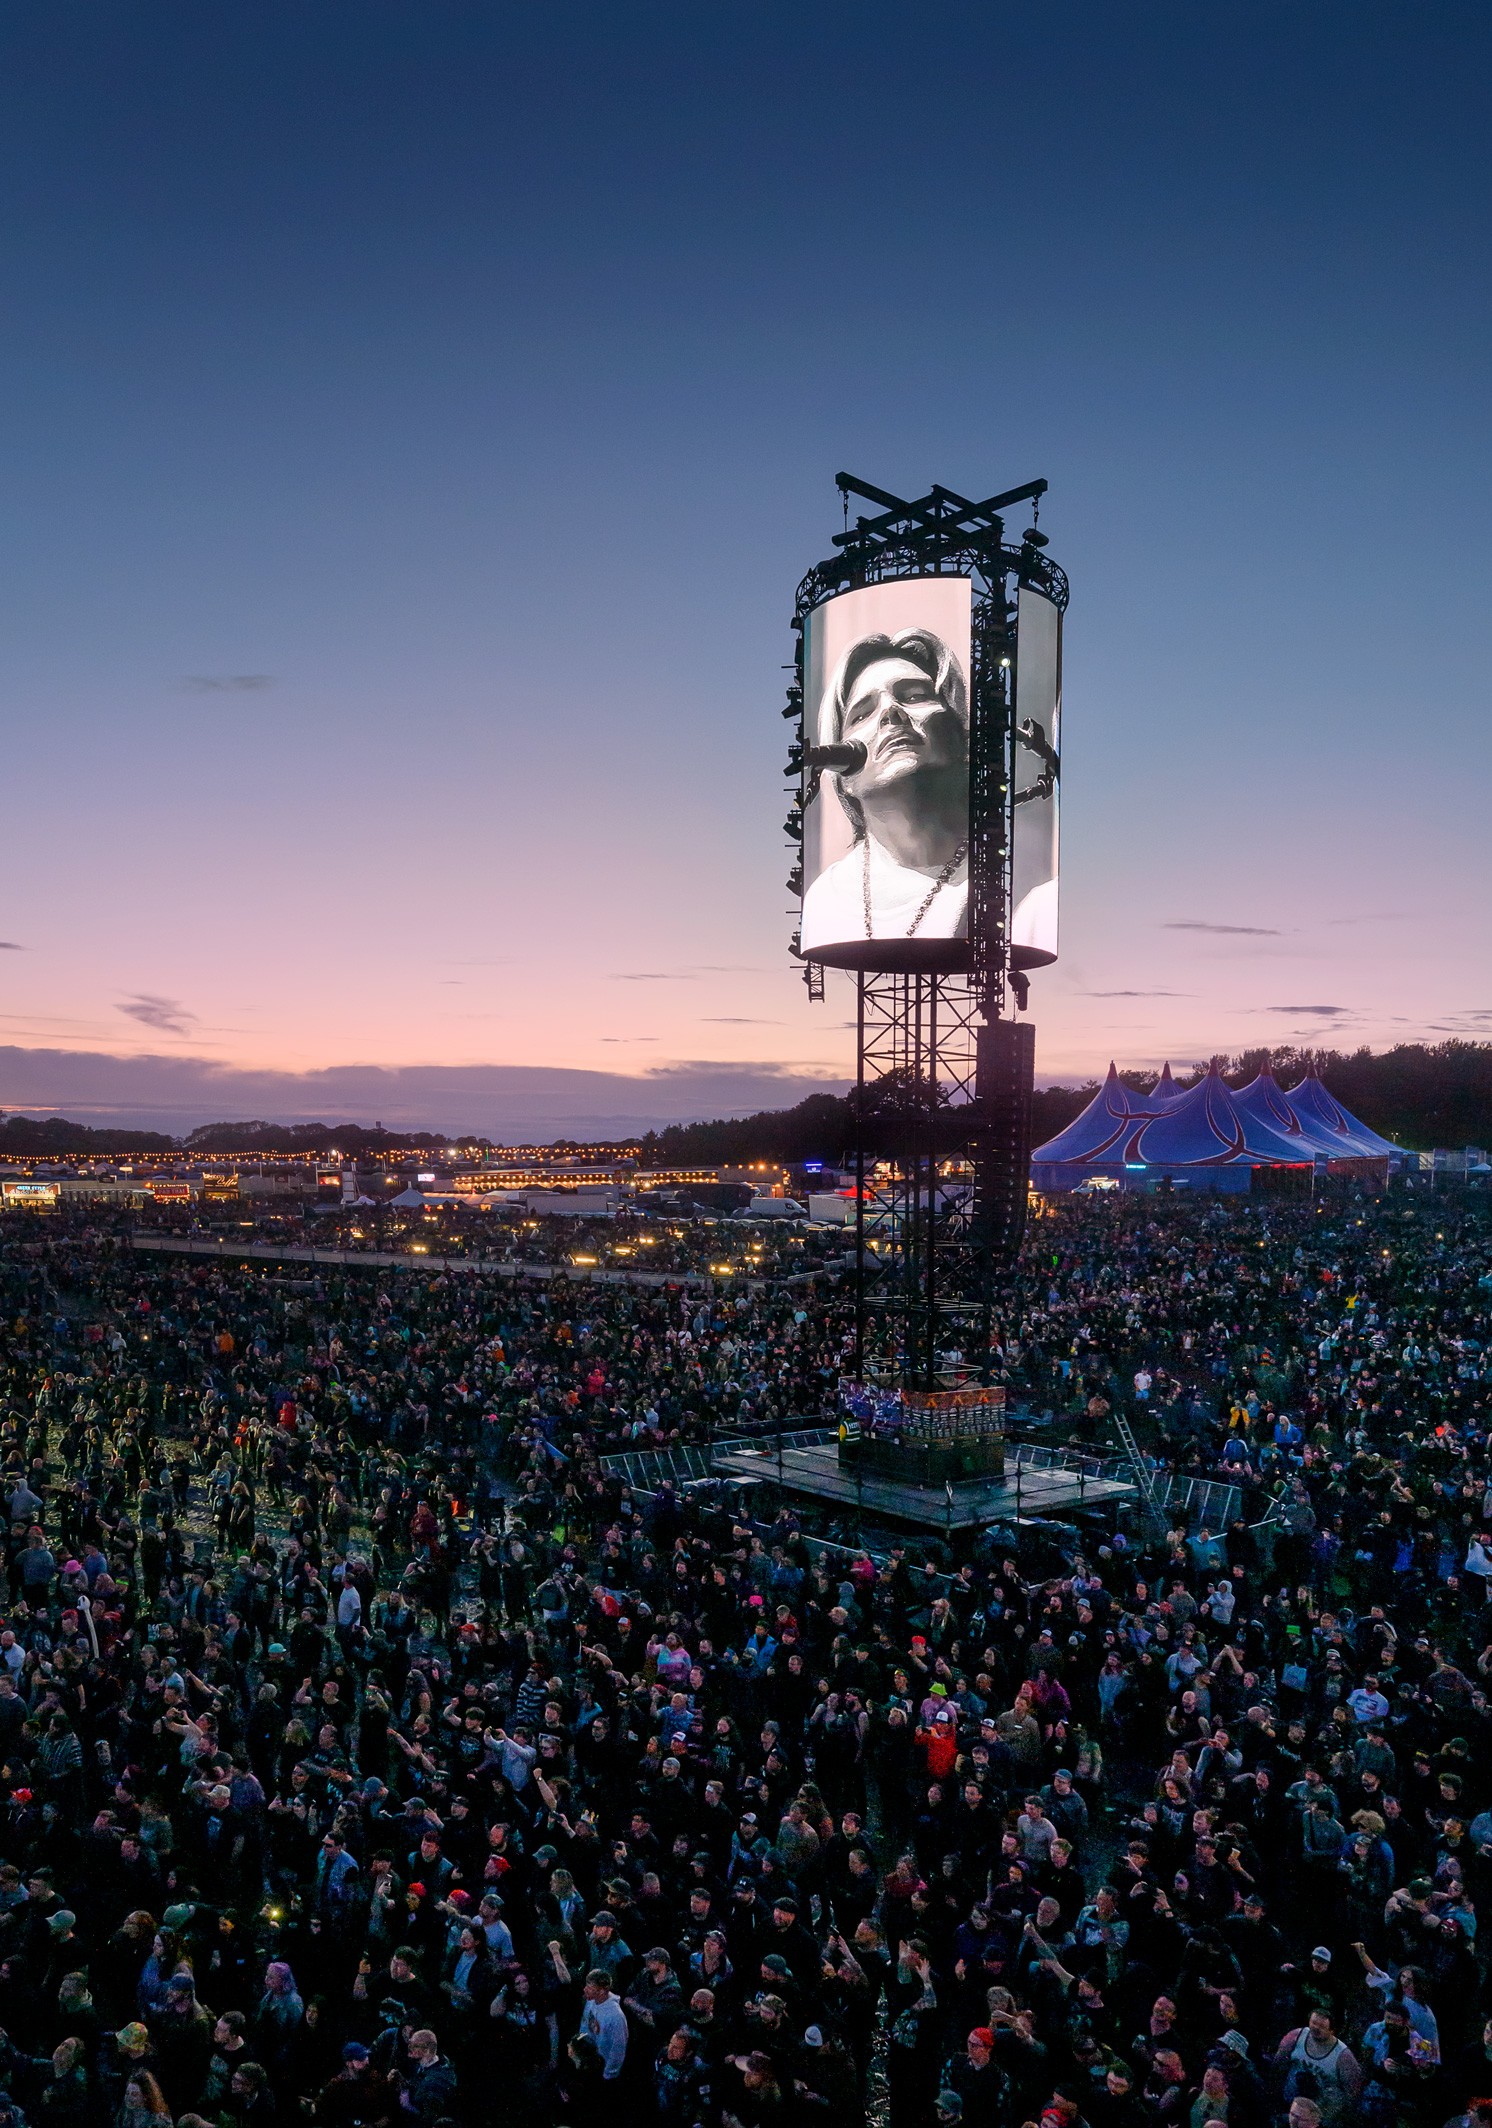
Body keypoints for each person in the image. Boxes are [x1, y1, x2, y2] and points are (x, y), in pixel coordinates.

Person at [801, 626, 970, 950]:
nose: (890, 713)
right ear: (843, 774)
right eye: (861, 714)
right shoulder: (824, 900)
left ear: (957, 730)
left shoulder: (1014, 883)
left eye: (915, 696)